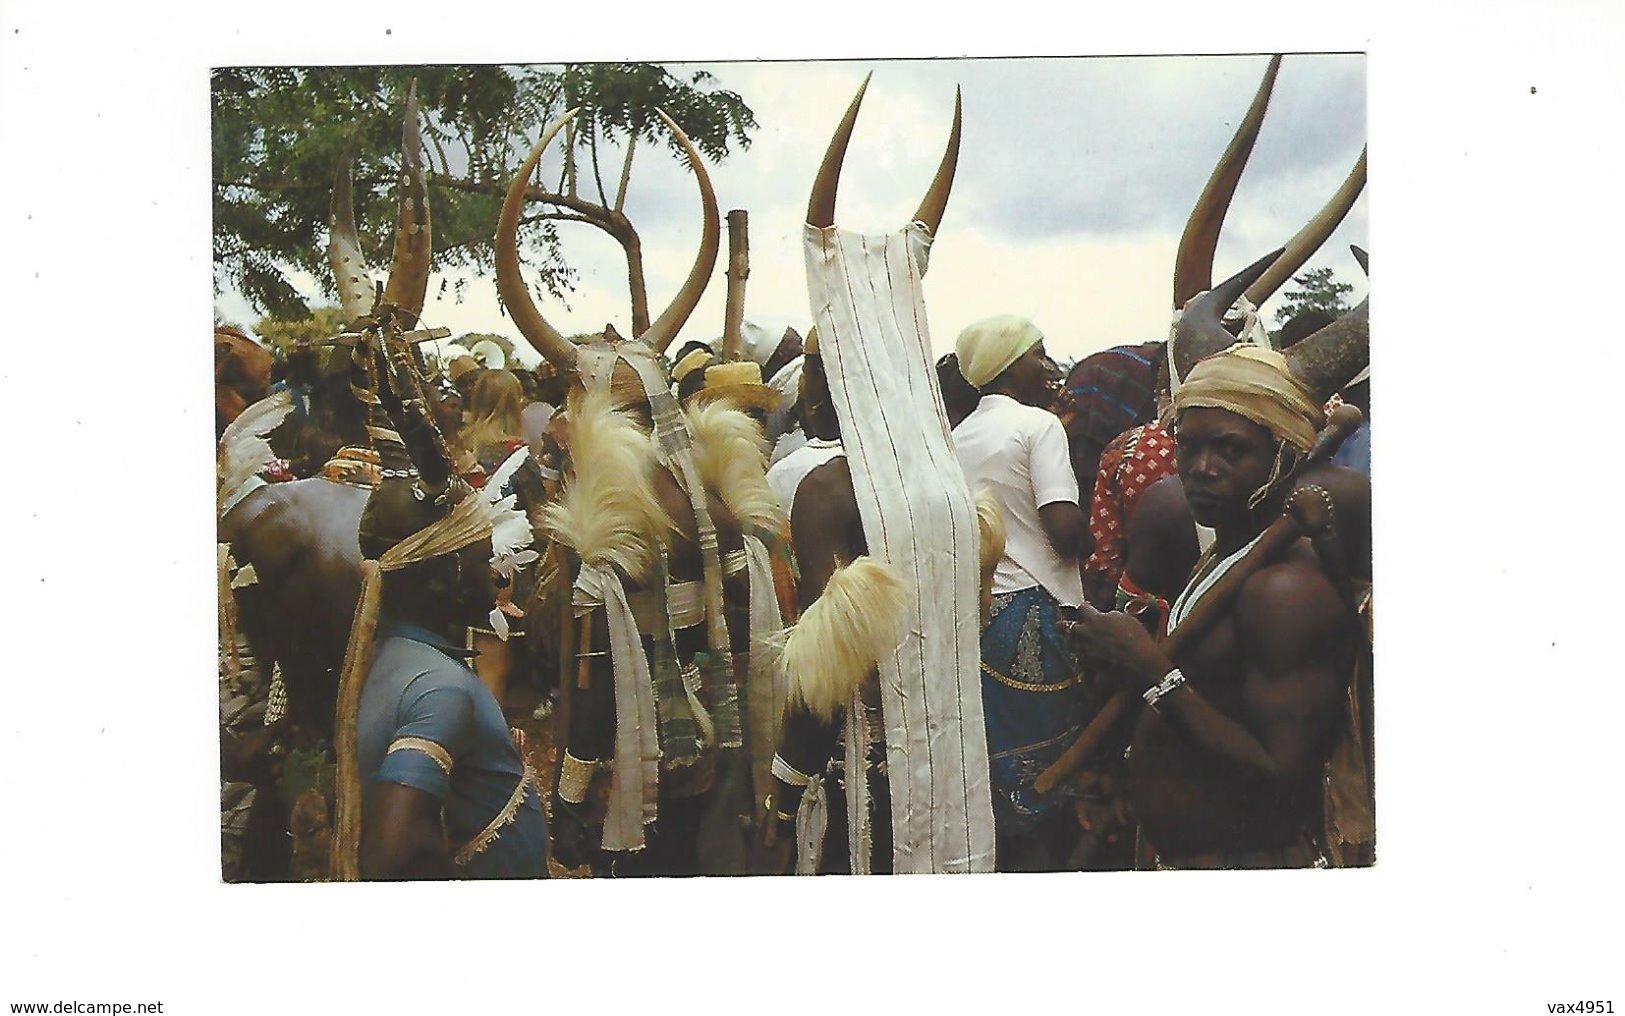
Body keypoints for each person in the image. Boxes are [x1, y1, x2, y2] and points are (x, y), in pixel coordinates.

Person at [1060, 343, 1364, 868]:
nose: (1201, 469)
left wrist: (1149, 667)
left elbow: (1281, 772)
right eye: (1188, 447)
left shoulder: (1284, 591)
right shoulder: (1228, 552)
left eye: (1230, 450)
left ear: (1283, 455)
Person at [331, 334, 547, 881]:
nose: (497, 575)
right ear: (445, 576)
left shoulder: (395, 654)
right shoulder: (441, 692)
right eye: (481, 563)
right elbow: (393, 852)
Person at [951, 314, 1094, 870]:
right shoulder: (1040, 427)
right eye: (1039, 353)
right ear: (1011, 365)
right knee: (1050, 783)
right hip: (1036, 616)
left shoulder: (957, 435)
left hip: (979, 617)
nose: (1049, 364)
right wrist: (1093, 531)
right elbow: (1061, 527)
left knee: (997, 772)